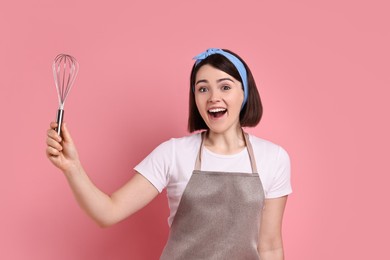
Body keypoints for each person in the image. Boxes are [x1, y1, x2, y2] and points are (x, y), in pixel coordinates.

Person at [46, 48, 292, 260]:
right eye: (202, 89)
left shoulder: (273, 158)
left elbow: (269, 248)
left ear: (245, 93)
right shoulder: (174, 153)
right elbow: (108, 212)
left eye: (225, 86)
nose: (213, 97)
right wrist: (72, 167)